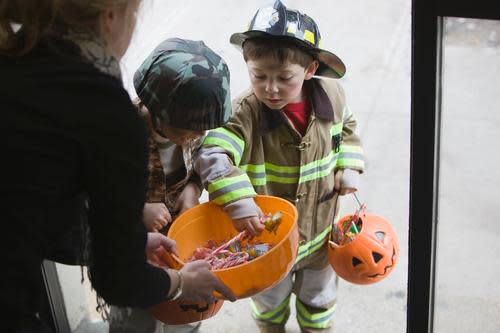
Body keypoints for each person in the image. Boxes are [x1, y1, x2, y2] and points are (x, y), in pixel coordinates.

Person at [0, 2, 235, 332]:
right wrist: (180, 281)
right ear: (112, 15)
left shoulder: (17, 66)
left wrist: (134, 236)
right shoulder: (104, 113)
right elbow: (117, 278)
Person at [194, 1, 365, 332]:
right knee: (268, 302)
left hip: (320, 237)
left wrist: (349, 165)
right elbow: (212, 153)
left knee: (319, 301)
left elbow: (348, 129)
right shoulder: (244, 112)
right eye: (259, 75)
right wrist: (239, 201)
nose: (270, 88)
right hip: (267, 242)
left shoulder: (334, 96)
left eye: (284, 78)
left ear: (310, 69)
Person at [109, 37, 232, 333]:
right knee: (137, 320)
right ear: (158, 111)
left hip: (181, 243)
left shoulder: (197, 130)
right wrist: (138, 209)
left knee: (186, 315)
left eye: (204, 127)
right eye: (188, 128)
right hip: (135, 251)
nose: (197, 134)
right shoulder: (121, 134)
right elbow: (95, 190)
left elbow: (201, 164)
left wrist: (192, 190)